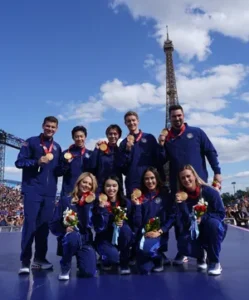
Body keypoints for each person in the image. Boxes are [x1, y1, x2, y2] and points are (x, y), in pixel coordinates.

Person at [158, 104, 222, 265]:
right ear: (169, 118)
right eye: (173, 116)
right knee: (182, 218)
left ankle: (206, 249)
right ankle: (185, 250)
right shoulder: (168, 139)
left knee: (204, 218)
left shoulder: (197, 133)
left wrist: (217, 172)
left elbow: (210, 152)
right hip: (178, 187)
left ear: (183, 116)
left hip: (198, 186)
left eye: (179, 115)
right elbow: (161, 160)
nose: (177, 118)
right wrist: (161, 144)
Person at [15, 116, 61, 274]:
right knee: (30, 226)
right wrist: (36, 162)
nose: (50, 129)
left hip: (49, 193)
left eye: (53, 127)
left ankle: (39, 259)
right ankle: (25, 261)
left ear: (57, 129)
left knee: (43, 228)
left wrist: (67, 165)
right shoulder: (31, 142)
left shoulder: (57, 148)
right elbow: (19, 162)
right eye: (48, 126)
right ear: (43, 126)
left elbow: (58, 171)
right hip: (33, 190)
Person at [175, 165, 227, 276]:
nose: (186, 180)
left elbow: (221, 213)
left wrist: (202, 218)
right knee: (183, 244)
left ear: (194, 176)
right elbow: (183, 221)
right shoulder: (181, 197)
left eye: (188, 176)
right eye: (182, 178)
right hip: (194, 230)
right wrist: (181, 205)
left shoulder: (209, 191)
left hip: (211, 228)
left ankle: (214, 261)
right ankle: (201, 255)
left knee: (213, 224)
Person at [50, 172, 97, 280]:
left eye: (90, 184)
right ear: (78, 183)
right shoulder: (65, 200)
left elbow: (97, 225)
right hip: (70, 238)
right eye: (84, 182)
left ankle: (83, 261)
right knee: (72, 237)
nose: (86, 185)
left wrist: (94, 207)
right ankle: (65, 266)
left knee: (89, 272)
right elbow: (53, 223)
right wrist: (64, 229)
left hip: (85, 241)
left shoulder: (93, 203)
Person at [131, 167, 175, 274]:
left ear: (157, 178)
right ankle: (155, 255)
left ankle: (158, 259)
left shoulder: (165, 196)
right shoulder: (140, 197)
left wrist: (160, 231)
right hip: (144, 234)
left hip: (159, 233)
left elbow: (172, 216)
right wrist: (137, 206)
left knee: (148, 250)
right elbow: (137, 222)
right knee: (143, 269)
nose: (150, 181)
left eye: (152, 178)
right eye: (146, 179)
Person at [92, 176, 133, 274]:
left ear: (119, 187)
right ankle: (105, 258)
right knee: (113, 259)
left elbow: (133, 222)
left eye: (114, 186)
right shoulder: (97, 203)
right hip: (104, 238)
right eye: (108, 186)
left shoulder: (126, 203)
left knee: (126, 229)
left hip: (120, 238)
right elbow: (98, 228)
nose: (111, 189)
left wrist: (123, 223)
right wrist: (101, 209)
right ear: (104, 187)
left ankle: (124, 262)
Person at [119, 111, 159, 197]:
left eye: (133, 120)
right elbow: (123, 168)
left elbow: (158, 160)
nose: (131, 123)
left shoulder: (149, 138)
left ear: (138, 121)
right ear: (125, 123)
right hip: (133, 182)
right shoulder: (123, 144)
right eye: (128, 121)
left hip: (149, 181)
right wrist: (127, 151)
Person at [88, 124, 123, 193]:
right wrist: (96, 150)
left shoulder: (121, 151)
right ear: (107, 135)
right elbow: (91, 166)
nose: (113, 136)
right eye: (110, 134)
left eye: (115, 134)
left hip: (116, 187)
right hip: (101, 187)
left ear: (119, 136)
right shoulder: (100, 150)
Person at [59, 126, 92, 197]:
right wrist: (66, 164)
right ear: (73, 138)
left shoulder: (91, 154)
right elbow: (58, 172)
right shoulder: (65, 154)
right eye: (76, 137)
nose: (79, 139)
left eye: (81, 136)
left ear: (85, 137)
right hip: (69, 192)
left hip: (85, 193)